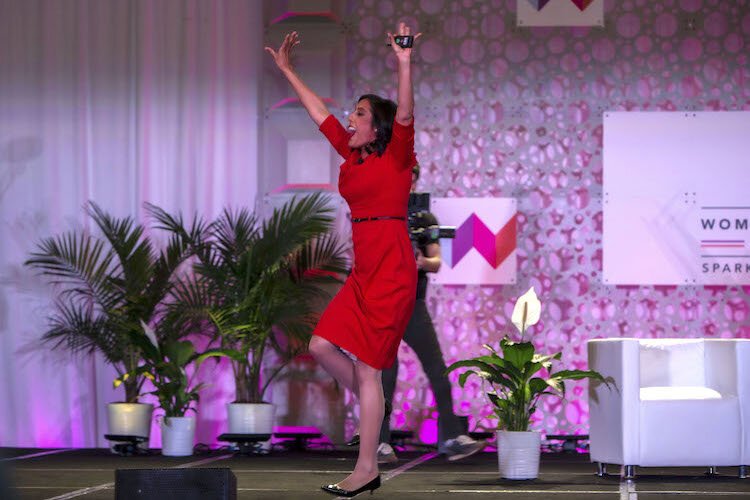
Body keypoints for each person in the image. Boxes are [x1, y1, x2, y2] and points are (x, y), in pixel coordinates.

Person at [265, 23, 419, 497]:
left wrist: (404, 61)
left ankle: (366, 468)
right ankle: (376, 404)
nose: (349, 119)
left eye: (359, 114)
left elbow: (406, 112)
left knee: (369, 372)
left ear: (378, 127)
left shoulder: (396, 156)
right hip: (363, 271)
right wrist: (288, 71)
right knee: (320, 346)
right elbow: (319, 113)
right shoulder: (352, 158)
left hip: (392, 270)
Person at [376, 164, 487, 463]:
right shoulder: (381, 215)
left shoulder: (425, 220)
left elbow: (435, 261)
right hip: (385, 306)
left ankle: (452, 437)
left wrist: (421, 262)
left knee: (437, 369)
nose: (408, 186)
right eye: (404, 180)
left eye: (412, 182)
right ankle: (380, 443)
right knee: (386, 374)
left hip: (414, 305)